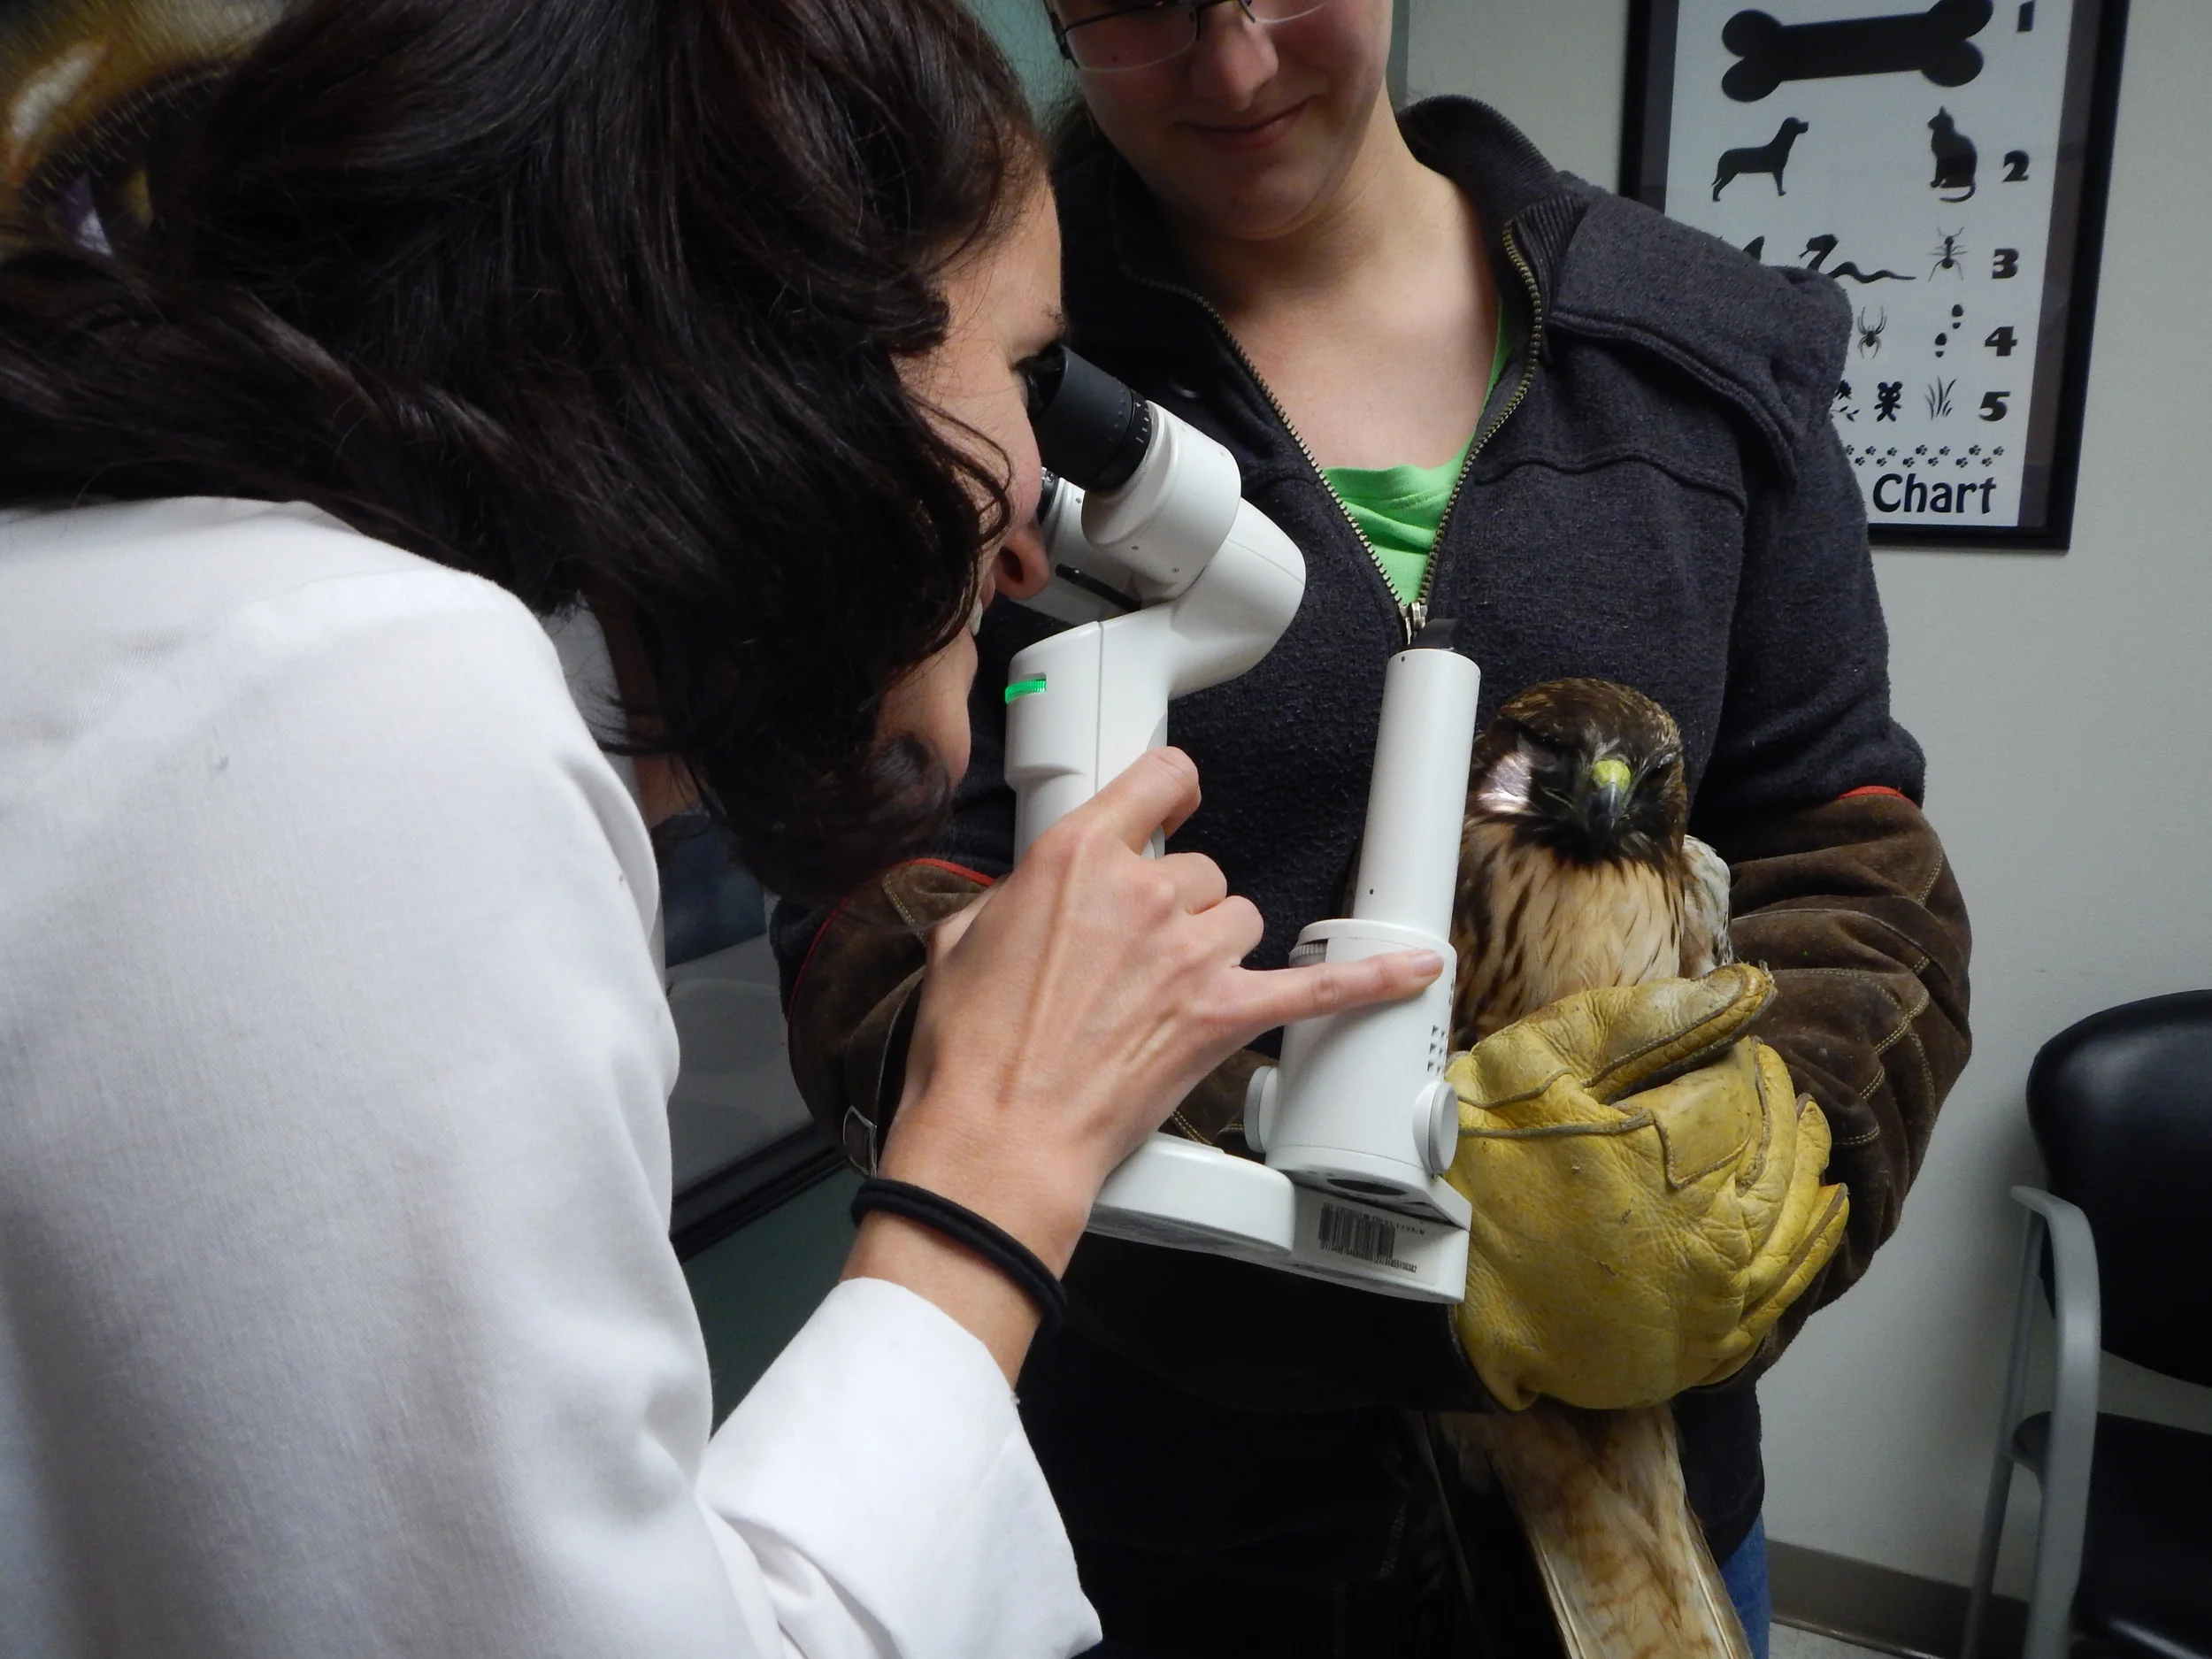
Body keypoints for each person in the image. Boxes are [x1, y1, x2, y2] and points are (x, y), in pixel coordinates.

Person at [0, 1, 1445, 1654]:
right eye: (1024, 366)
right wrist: (995, 1158)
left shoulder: (173, 612)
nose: (1032, 548)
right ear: (792, 333)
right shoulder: (376, 702)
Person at [774, 1, 1973, 1655]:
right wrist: (1221, 1128)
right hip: (1160, 1527)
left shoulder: (1706, 348)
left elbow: (1854, 851)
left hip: (1632, 1512)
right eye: (1138, 5)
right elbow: (862, 896)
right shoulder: (976, 364)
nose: (1237, 64)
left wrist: (1767, 1156)